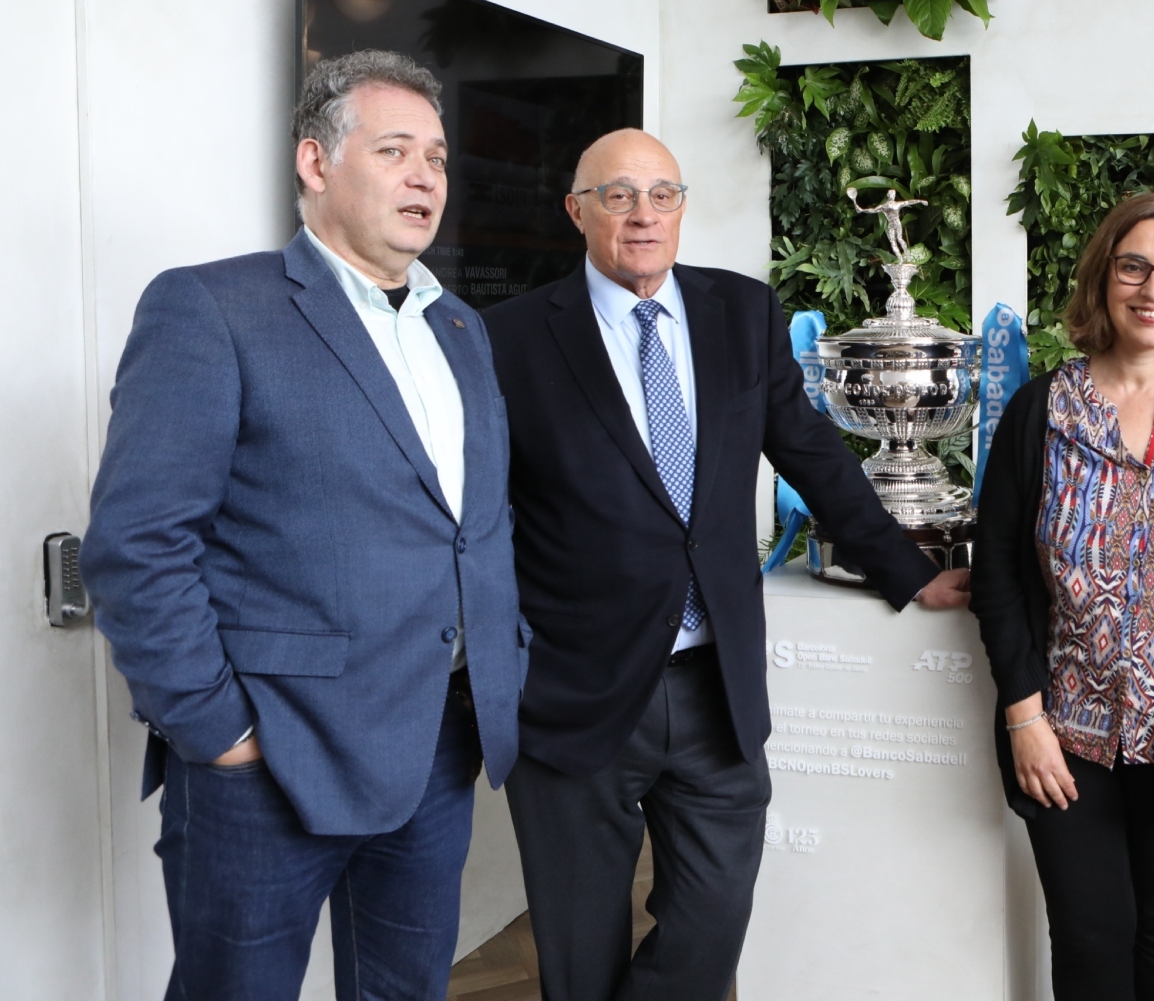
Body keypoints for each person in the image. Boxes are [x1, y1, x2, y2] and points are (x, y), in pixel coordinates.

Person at [484, 127, 969, 1001]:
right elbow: (479, 511)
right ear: (578, 212)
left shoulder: (740, 313)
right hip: (573, 690)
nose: (642, 214)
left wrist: (905, 567)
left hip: (716, 684)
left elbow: (811, 451)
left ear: (681, 208)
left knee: (712, 919)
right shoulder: (508, 338)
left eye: (661, 194)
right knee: (577, 948)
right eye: (618, 194)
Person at [80, 50, 522, 1000]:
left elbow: (470, 523)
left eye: (438, 158)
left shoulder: (461, 329)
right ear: (315, 164)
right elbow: (136, 545)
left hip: (439, 746)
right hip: (270, 761)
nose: (424, 178)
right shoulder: (211, 308)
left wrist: (498, 659)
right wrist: (218, 731)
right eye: (395, 150)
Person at [970, 191, 1154, 1001]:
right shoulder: (1039, 412)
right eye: (1133, 266)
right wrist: (1023, 718)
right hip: (1063, 741)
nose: (1152, 287)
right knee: (1092, 940)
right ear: (1104, 278)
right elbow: (997, 570)